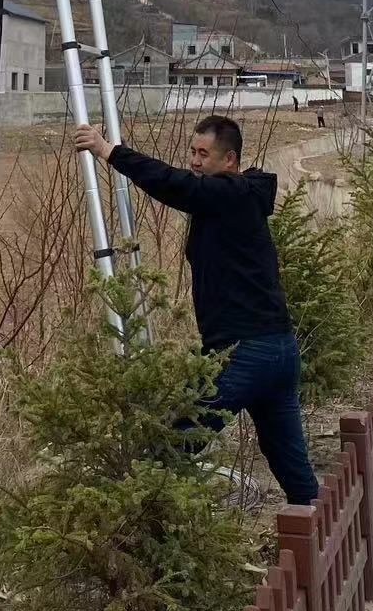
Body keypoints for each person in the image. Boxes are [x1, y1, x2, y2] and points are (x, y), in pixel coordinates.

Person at [74, 113, 319, 506]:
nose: (194, 161)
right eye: (192, 151)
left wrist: (110, 151)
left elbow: (176, 185)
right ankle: (321, 527)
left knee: (175, 442)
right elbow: (187, 188)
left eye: (203, 154)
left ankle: (143, 518)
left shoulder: (230, 193)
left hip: (244, 353)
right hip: (278, 349)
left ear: (229, 160)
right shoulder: (237, 199)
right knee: (290, 464)